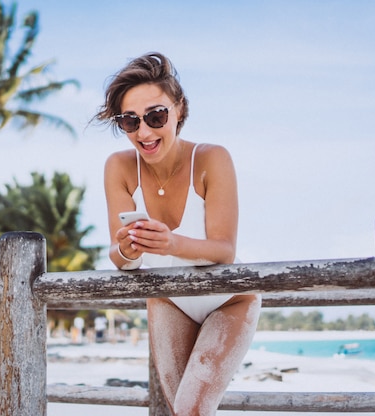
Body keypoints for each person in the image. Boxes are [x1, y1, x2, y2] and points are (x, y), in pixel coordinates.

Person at [94, 52, 261, 415]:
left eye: (156, 116)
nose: (144, 132)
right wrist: (128, 250)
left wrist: (170, 243)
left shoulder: (212, 158)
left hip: (229, 300)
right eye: (130, 121)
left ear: (179, 110)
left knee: (193, 411)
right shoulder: (118, 167)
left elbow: (224, 250)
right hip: (168, 299)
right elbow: (121, 260)